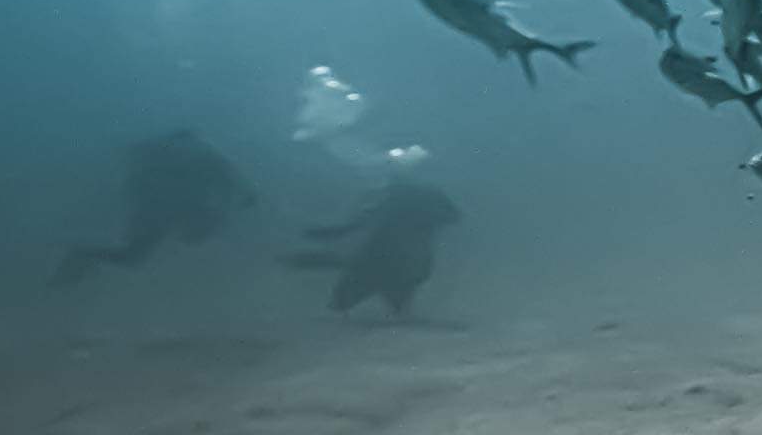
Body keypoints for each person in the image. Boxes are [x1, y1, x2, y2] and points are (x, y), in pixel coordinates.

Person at [54, 130, 255, 284]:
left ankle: (81, 256)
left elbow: (133, 179)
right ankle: (81, 256)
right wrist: (244, 195)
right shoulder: (205, 152)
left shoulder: (166, 153)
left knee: (132, 256)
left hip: (155, 208)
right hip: (165, 209)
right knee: (133, 256)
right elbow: (232, 178)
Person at [292, 176, 464, 318]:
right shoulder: (408, 200)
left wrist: (329, 233)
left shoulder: (394, 200)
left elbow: (358, 222)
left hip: (387, 259)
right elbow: (452, 216)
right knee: (382, 283)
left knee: (361, 285)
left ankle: (392, 307)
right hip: (393, 260)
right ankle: (396, 308)